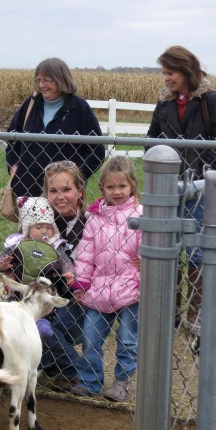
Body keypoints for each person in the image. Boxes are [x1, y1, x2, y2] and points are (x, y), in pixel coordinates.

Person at [146, 45, 216, 330]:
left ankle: (196, 316)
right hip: (170, 187)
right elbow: (152, 137)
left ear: (186, 71)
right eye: (164, 73)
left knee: (196, 250)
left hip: (200, 188)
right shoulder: (164, 104)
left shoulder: (210, 101)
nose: (166, 79)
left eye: (170, 72)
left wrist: (202, 169)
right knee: (168, 247)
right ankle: (169, 313)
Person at [66, 157, 143, 402]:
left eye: (122, 186)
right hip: (100, 287)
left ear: (133, 185)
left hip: (133, 286)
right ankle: (90, 381)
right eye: (110, 187)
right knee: (90, 336)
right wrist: (81, 284)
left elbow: (149, 247)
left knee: (127, 339)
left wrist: (145, 264)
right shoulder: (95, 218)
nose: (117, 191)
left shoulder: (142, 215)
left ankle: (122, 382)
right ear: (102, 189)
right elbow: (86, 256)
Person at [5, 57, 105, 198]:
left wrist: (75, 178)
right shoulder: (31, 104)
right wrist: (14, 166)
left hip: (63, 196)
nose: (41, 85)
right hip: (27, 192)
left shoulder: (79, 108)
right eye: (38, 80)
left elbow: (96, 151)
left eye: (46, 80)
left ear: (61, 80)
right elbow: (12, 138)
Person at [38, 160, 89, 392]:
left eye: (67, 189)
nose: (60, 196)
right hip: (45, 296)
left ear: (80, 191)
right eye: (53, 191)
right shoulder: (39, 224)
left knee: (48, 329)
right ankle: (51, 361)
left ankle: (72, 369)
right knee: (35, 324)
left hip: (78, 301)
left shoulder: (92, 223)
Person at [0, 196, 73, 338]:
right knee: (12, 308)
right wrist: (3, 265)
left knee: (45, 308)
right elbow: (1, 258)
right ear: (27, 227)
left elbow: (65, 262)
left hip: (43, 292)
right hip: (19, 290)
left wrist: (69, 272)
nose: (45, 232)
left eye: (48, 227)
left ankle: (43, 323)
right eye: (39, 227)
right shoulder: (17, 244)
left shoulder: (55, 245)